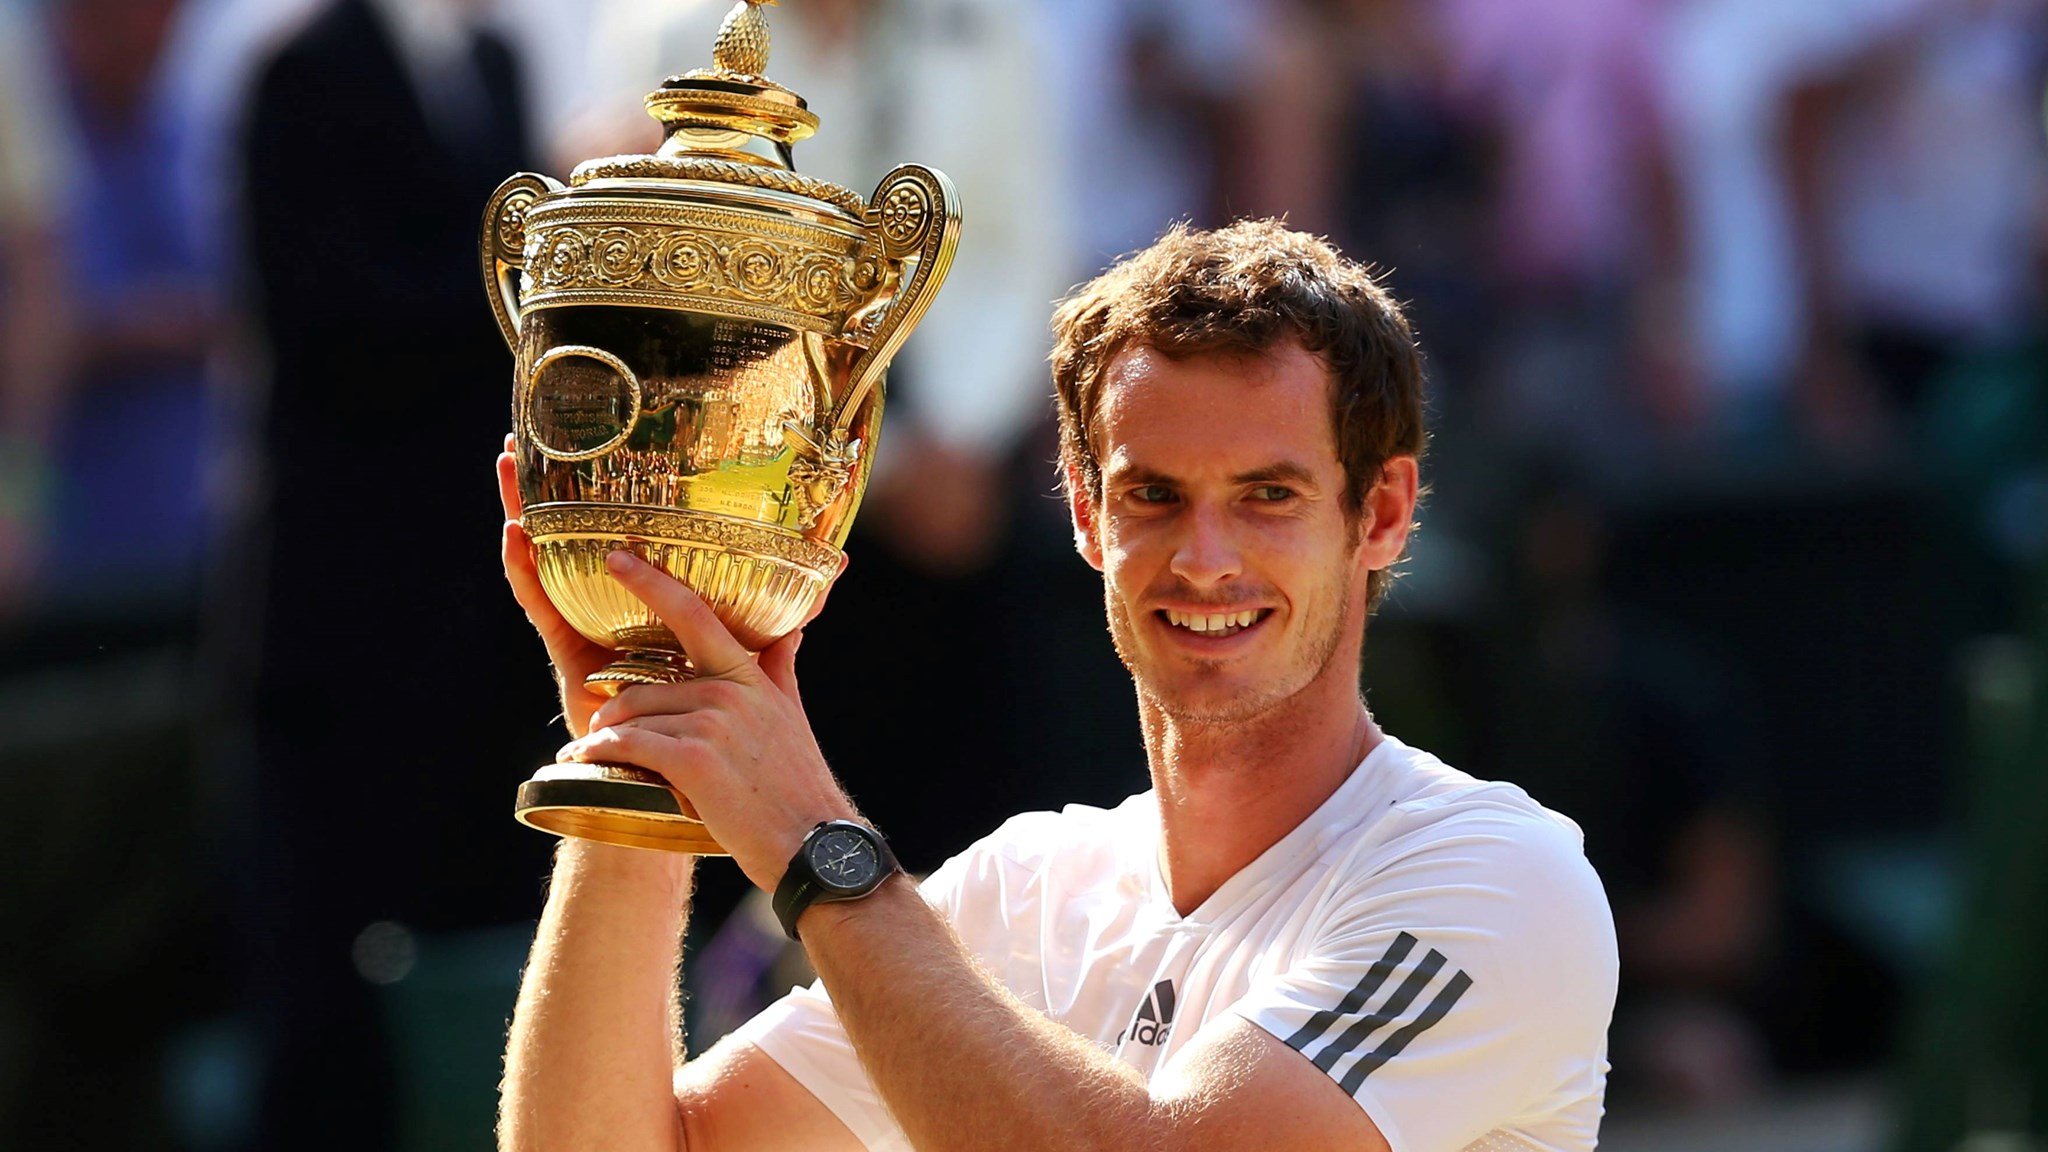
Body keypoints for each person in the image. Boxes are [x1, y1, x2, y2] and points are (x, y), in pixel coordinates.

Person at [494, 220, 1619, 1152]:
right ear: (1084, 513)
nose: (1205, 558)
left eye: (1267, 496)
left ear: (1376, 515)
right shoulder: (1022, 893)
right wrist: (639, 751)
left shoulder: (1495, 877)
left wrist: (816, 844)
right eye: (1154, 496)